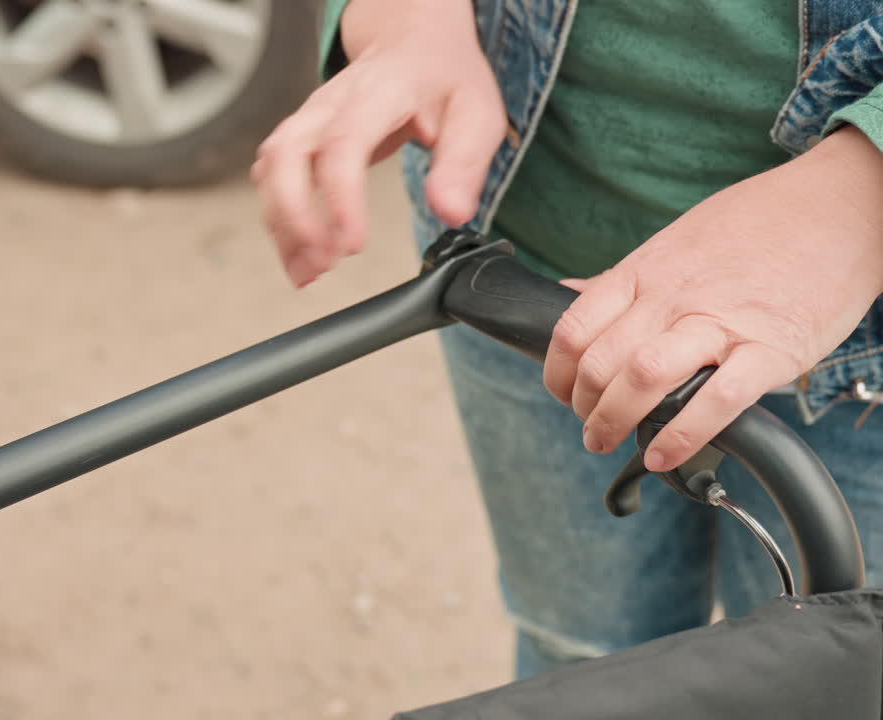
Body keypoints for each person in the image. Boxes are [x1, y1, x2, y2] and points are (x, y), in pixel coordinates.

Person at [251, 0, 883, 679]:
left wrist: (860, 197)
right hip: (529, 270)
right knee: (577, 656)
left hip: (861, 321)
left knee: (829, 675)